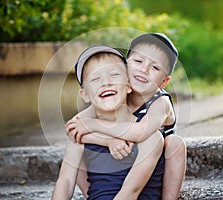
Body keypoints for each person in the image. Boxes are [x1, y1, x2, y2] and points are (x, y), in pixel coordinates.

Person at [67, 33, 187, 199]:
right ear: (124, 65)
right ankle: (94, 194)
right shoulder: (116, 93)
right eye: (138, 61)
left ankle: (168, 197)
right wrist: (108, 141)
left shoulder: (160, 102)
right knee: (76, 146)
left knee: (175, 144)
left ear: (163, 82)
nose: (144, 70)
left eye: (155, 68)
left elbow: (140, 132)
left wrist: (94, 126)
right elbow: (75, 126)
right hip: (120, 163)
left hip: (151, 167)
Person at [52, 45, 164, 200]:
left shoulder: (150, 138)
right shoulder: (80, 137)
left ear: (129, 86)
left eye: (114, 75)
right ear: (85, 95)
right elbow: (65, 182)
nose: (106, 82)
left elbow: (131, 192)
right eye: (95, 79)